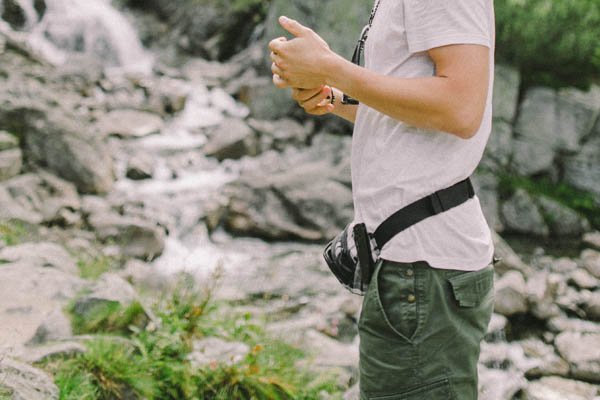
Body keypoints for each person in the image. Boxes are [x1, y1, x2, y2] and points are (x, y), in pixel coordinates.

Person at [269, 1, 495, 399]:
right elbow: (415, 110)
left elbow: (461, 108)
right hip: (411, 265)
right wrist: (336, 96)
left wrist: (330, 67)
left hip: (421, 268)